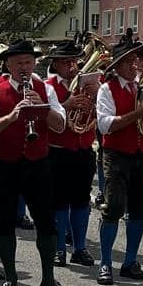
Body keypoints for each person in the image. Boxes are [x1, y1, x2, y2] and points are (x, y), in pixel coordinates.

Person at [0, 40, 70, 286]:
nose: (24, 67)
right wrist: (11, 117)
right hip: (3, 164)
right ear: (8, 64)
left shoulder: (45, 89)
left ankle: (49, 280)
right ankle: (10, 279)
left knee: (46, 222)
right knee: (3, 222)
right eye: (18, 62)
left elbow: (60, 125)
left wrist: (42, 107)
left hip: (37, 163)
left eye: (28, 62)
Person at [94, 41, 143, 285]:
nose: (136, 65)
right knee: (113, 207)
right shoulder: (107, 89)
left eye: (137, 60)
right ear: (117, 66)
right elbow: (106, 125)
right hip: (117, 155)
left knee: (139, 210)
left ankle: (130, 261)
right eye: (130, 61)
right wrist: (140, 114)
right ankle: (104, 263)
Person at [44, 43, 97, 268]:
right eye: (66, 62)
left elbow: (99, 115)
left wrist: (94, 100)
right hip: (57, 151)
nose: (72, 66)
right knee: (59, 201)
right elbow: (44, 117)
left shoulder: (88, 86)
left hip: (83, 148)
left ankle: (80, 247)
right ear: (55, 64)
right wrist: (66, 105)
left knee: (82, 200)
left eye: (74, 61)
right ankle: (58, 249)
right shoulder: (47, 87)